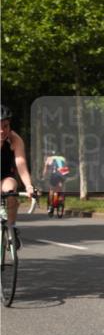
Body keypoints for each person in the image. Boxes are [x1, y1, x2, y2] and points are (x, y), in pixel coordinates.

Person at [1, 105, 38, 247]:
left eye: (6, 126)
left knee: (11, 189)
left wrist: (29, 186)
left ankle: (11, 229)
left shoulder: (15, 140)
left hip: (4, 178)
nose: (2, 130)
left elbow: (21, 165)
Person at [43, 145, 70, 215]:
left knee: (51, 189)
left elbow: (46, 168)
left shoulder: (49, 158)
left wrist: (44, 176)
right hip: (64, 174)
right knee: (60, 187)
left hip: (54, 175)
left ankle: (51, 206)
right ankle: (61, 199)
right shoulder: (63, 158)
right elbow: (66, 168)